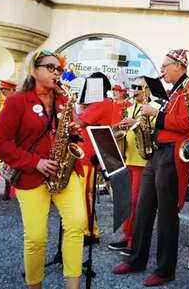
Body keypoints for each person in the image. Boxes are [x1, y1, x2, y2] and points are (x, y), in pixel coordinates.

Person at [0, 50, 85, 289]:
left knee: (76, 223)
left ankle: (73, 286)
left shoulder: (64, 99)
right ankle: (35, 285)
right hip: (32, 175)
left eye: (59, 69)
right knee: (36, 237)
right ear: (34, 69)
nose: (56, 72)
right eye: (50, 67)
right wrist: (35, 162)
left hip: (63, 170)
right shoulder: (17, 101)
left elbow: (66, 133)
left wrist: (73, 131)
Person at [112, 49, 189, 287]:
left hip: (172, 153)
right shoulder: (174, 92)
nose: (161, 70)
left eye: (165, 66)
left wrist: (156, 114)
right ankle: (136, 259)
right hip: (158, 152)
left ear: (179, 66)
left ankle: (165, 270)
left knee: (166, 214)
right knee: (143, 207)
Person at [107, 77, 158, 256]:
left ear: (148, 89)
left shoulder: (155, 107)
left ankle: (134, 242)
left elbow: (154, 130)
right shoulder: (129, 108)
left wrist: (135, 123)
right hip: (128, 159)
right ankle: (127, 236)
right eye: (133, 86)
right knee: (127, 201)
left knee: (137, 203)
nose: (134, 90)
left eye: (139, 87)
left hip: (144, 162)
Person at [76, 71, 115, 246]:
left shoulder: (102, 103)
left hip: (89, 154)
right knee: (85, 195)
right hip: (85, 153)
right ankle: (89, 229)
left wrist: (71, 107)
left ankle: (90, 232)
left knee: (85, 195)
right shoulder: (98, 103)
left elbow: (78, 123)